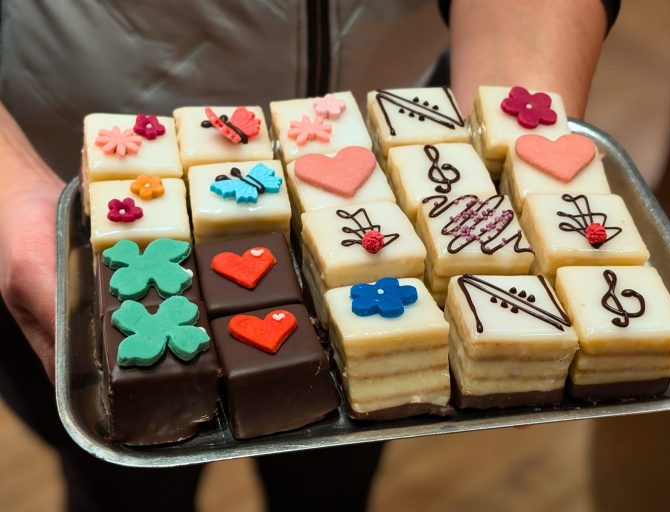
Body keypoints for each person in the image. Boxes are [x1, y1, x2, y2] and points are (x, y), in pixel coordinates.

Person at [0, 1, 619, 510]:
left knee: (339, 460)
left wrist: (518, 153)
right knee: (126, 488)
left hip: (380, 152)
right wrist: (12, 195)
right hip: (78, 178)